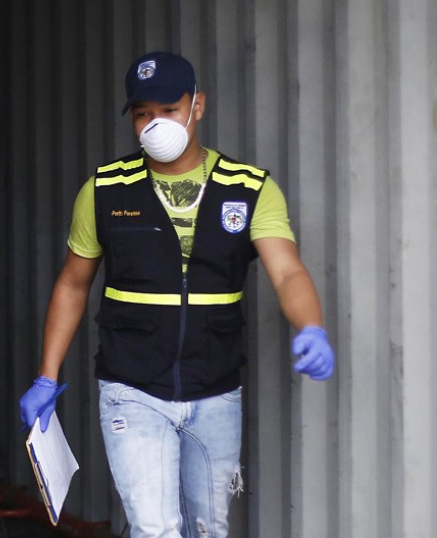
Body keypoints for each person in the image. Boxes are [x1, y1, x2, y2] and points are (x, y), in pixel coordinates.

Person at [18, 51, 335, 537]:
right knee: (155, 528)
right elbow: (72, 283)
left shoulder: (247, 188)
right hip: (131, 386)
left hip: (216, 388)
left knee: (208, 528)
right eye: (143, 113)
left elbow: (287, 271)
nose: (154, 123)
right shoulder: (105, 189)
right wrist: (46, 375)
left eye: (168, 109)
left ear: (197, 106)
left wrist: (310, 325)